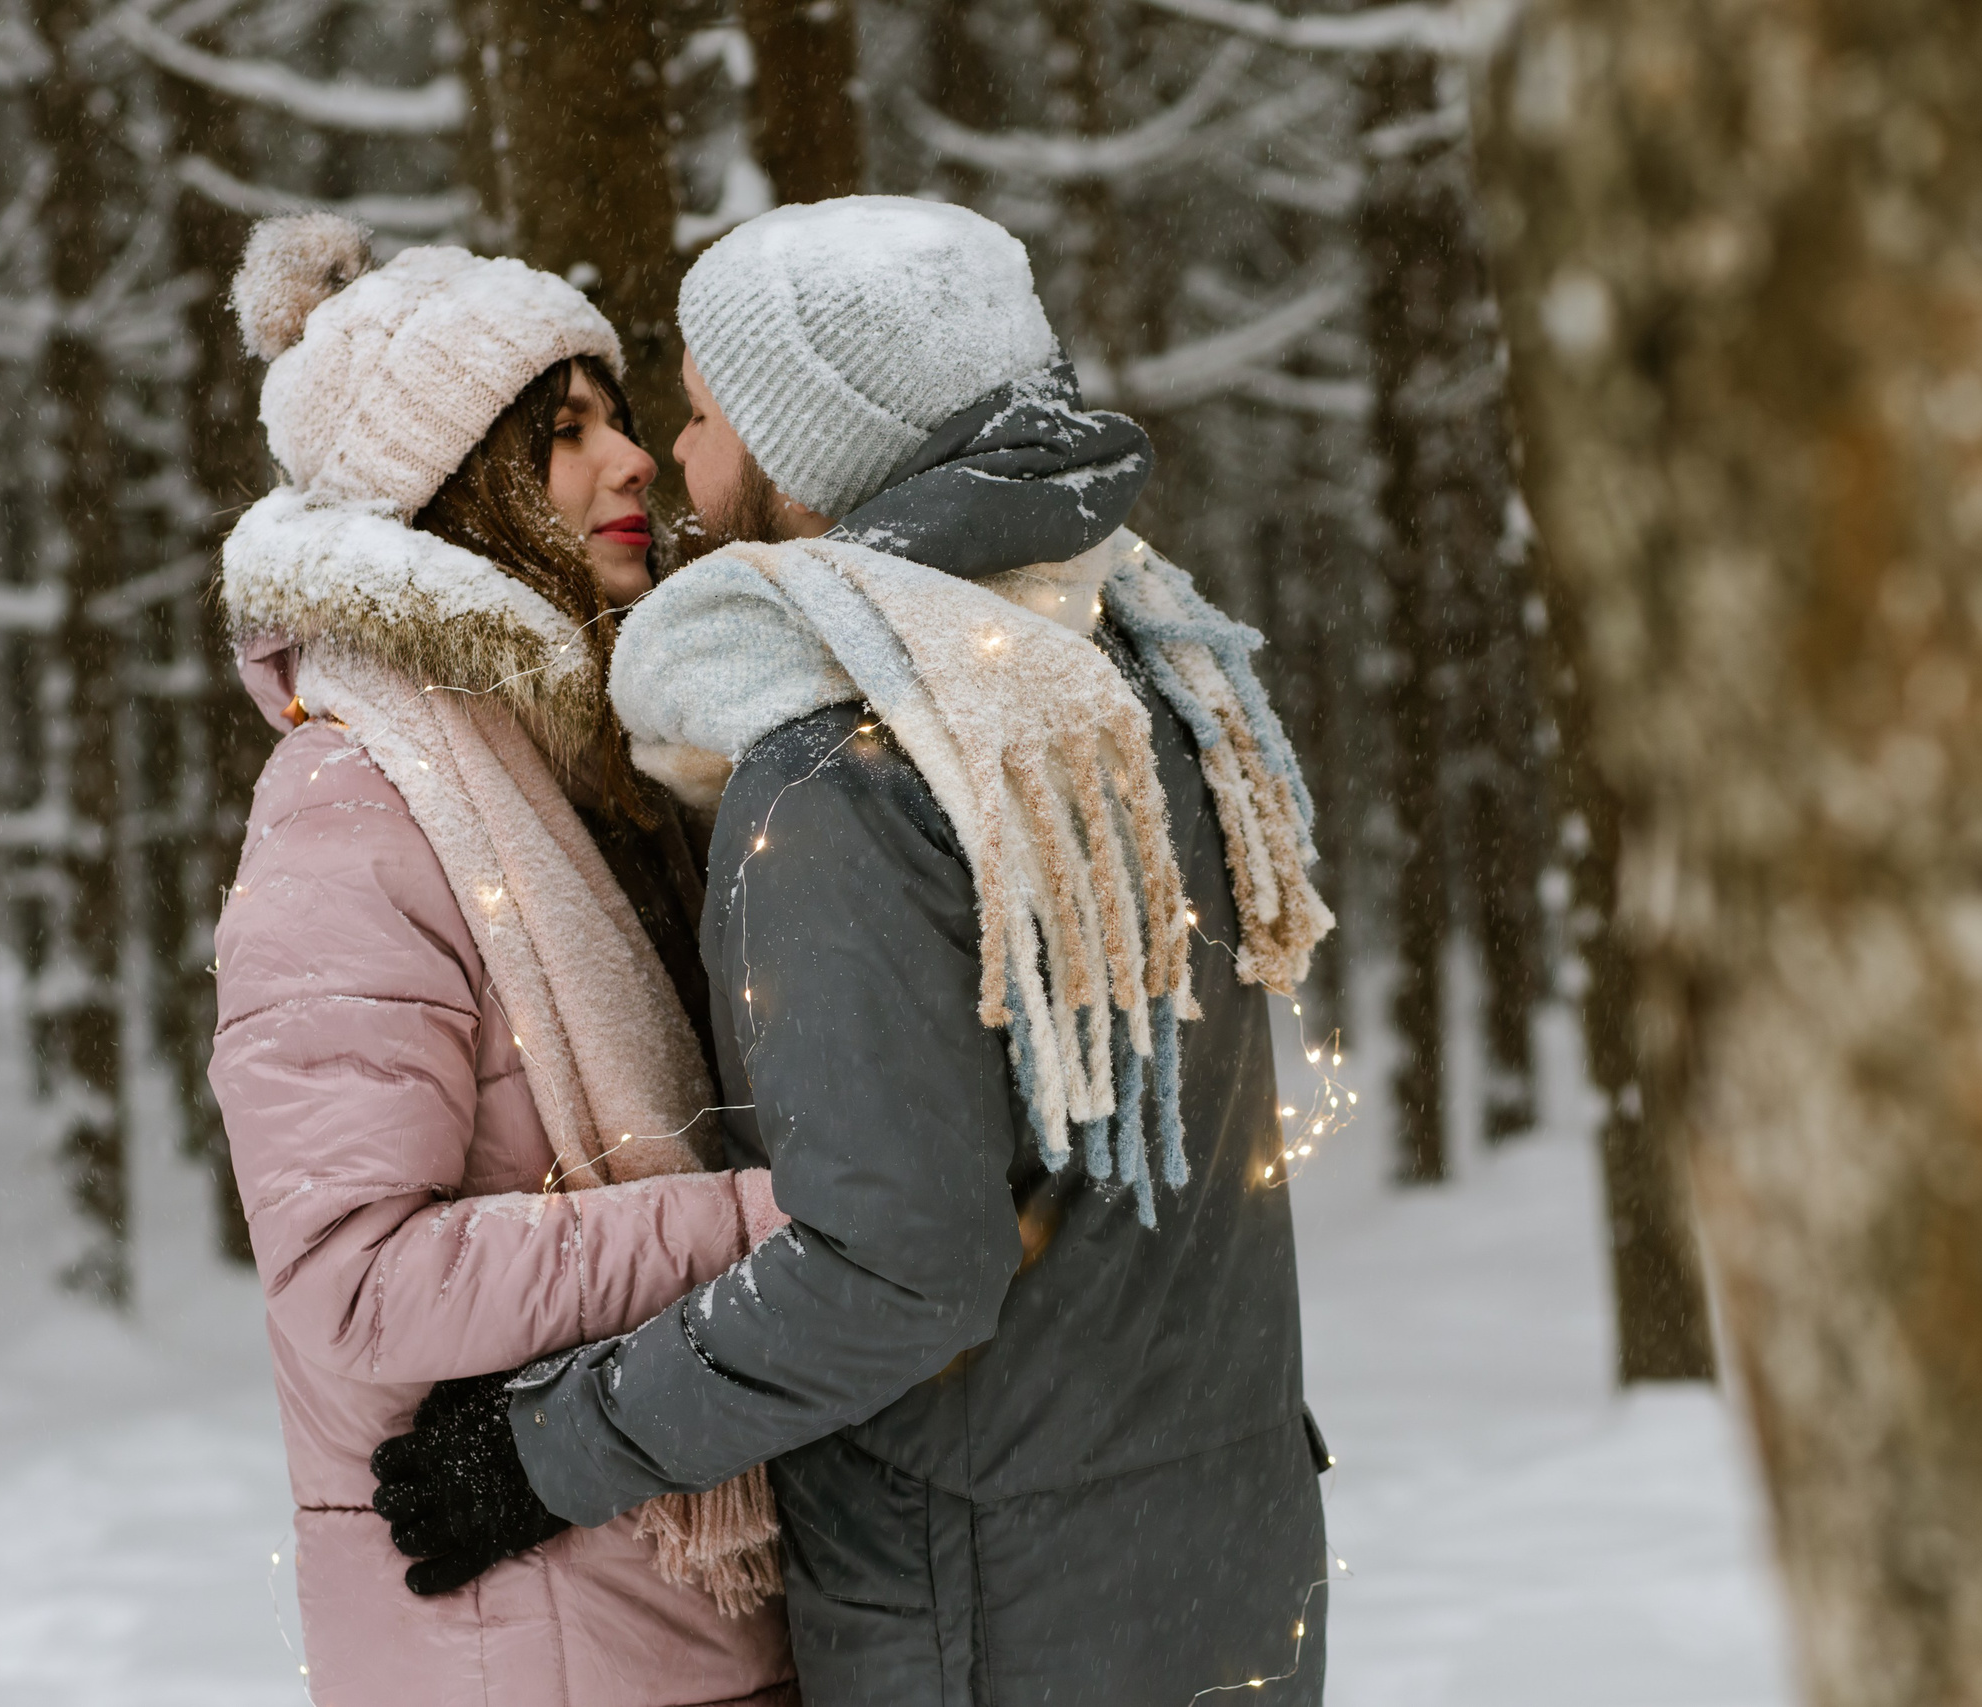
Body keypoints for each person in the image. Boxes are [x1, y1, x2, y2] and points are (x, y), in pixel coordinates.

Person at [370, 197, 1341, 1705]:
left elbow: (896, 1271)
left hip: (995, 1619)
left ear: (811, 451)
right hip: (1219, 1566)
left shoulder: (851, 776)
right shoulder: (1135, 665)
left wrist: (547, 1447)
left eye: (701, 417)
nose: (680, 466)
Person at [207, 213, 797, 1707]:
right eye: (567, 433)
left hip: (673, 1614)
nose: (635, 463)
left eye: (618, 417)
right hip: (528, 1646)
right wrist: (755, 1222)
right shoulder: (356, 804)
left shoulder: (588, 773)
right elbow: (353, 1289)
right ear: (454, 491)